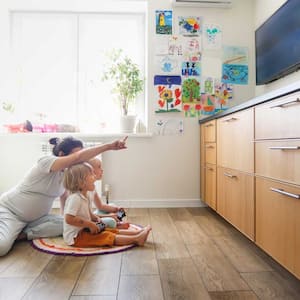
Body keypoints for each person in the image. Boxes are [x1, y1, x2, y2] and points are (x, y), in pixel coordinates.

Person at [0, 135, 128, 256]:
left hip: (37, 219)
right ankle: (17, 232)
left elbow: (65, 204)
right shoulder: (45, 161)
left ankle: (22, 234)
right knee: (2, 247)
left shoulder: (68, 175)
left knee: (72, 227)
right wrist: (109, 146)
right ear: (61, 154)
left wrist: (86, 220)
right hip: (11, 212)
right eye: (76, 155)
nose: (80, 160)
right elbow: (79, 157)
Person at [63, 162, 151, 248]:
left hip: (85, 229)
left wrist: (96, 219)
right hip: (76, 237)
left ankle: (138, 233)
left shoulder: (86, 195)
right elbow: (69, 219)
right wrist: (90, 224)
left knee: (109, 230)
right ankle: (136, 239)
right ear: (81, 182)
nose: (94, 177)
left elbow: (89, 213)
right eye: (91, 175)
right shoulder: (75, 198)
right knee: (106, 236)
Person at [88, 157, 129, 229]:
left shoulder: (92, 187)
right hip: (88, 221)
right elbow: (88, 216)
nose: (102, 170)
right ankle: (115, 225)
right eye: (99, 167)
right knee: (111, 221)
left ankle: (116, 222)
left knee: (115, 208)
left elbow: (100, 206)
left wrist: (116, 209)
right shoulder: (85, 190)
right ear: (90, 170)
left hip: (93, 216)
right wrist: (109, 216)